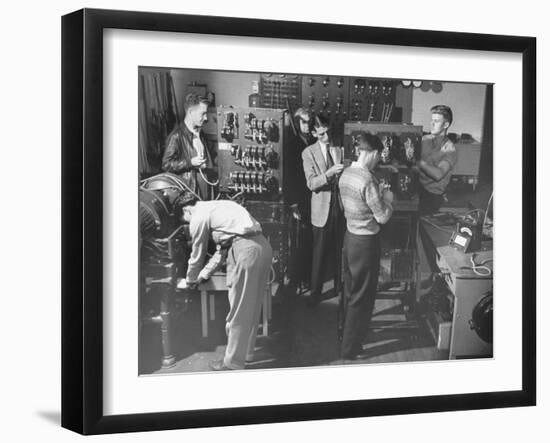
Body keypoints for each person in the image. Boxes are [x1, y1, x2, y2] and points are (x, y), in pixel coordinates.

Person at [183, 199, 273, 370]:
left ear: (187, 210)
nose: (189, 226)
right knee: (251, 309)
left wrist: (190, 279)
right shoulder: (220, 209)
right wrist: (203, 275)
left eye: (186, 222)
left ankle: (231, 364)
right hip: (262, 247)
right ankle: (245, 355)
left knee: (238, 312)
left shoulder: (198, 215)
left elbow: (197, 252)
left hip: (247, 251)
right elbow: (222, 251)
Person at [338, 132, 394, 360]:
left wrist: (375, 195)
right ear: (369, 153)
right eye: (378, 155)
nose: (379, 160)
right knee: (363, 296)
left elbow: (351, 205)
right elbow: (382, 217)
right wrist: (388, 198)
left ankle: (347, 338)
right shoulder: (367, 180)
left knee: (350, 292)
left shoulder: (346, 174)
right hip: (366, 243)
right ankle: (349, 350)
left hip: (350, 239)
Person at [301, 114, 344, 307]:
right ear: (313, 133)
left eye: (328, 132)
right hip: (321, 210)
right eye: (321, 134)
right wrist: (328, 174)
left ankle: (339, 289)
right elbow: (311, 183)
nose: (326, 137)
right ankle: (315, 294)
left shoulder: (339, 149)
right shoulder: (308, 153)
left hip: (340, 207)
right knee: (319, 254)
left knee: (339, 251)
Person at [162, 93, 216, 200]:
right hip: (190, 192)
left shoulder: (200, 132)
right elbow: (166, 165)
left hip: (205, 188)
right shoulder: (176, 136)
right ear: (191, 112)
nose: (206, 118)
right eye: (203, 114)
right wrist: (190, 162)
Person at [287, 108, 315, 292]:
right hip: (298, 198)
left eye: (309, 122)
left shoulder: (312, 141)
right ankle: (295, 279)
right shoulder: (292, 144)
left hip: (311, 197)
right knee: (297, 242)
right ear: (297, 123)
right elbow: (289, 175)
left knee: (308, 240)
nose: (307, 125)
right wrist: (293, 204)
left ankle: (305, 278)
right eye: (304, 122)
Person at [416, 105, 457, 214]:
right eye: (431, 120)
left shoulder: (450, 149)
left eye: (436, 121)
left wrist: (418, 161)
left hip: (432, 196)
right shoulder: (424, 140)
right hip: (418, 187)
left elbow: (438, 175)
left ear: (446, 125)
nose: (432, 124)